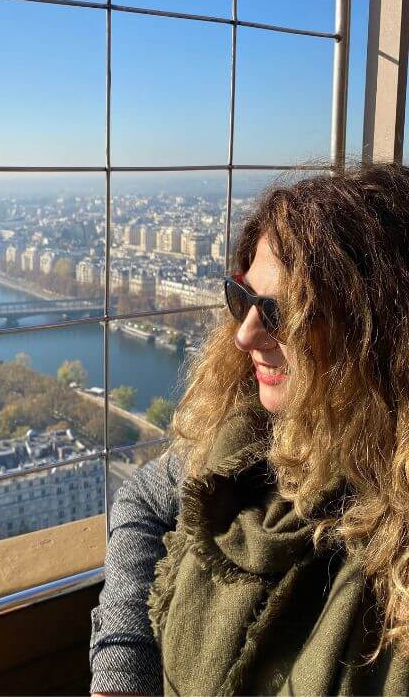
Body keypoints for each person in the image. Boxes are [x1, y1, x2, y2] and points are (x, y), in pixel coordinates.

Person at [90, 162, 409, 695]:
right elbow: (145, 498)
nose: (244, 335)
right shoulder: (255, 431)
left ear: (378, 341)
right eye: (244, 298)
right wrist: (122, 670)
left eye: (282, 313)